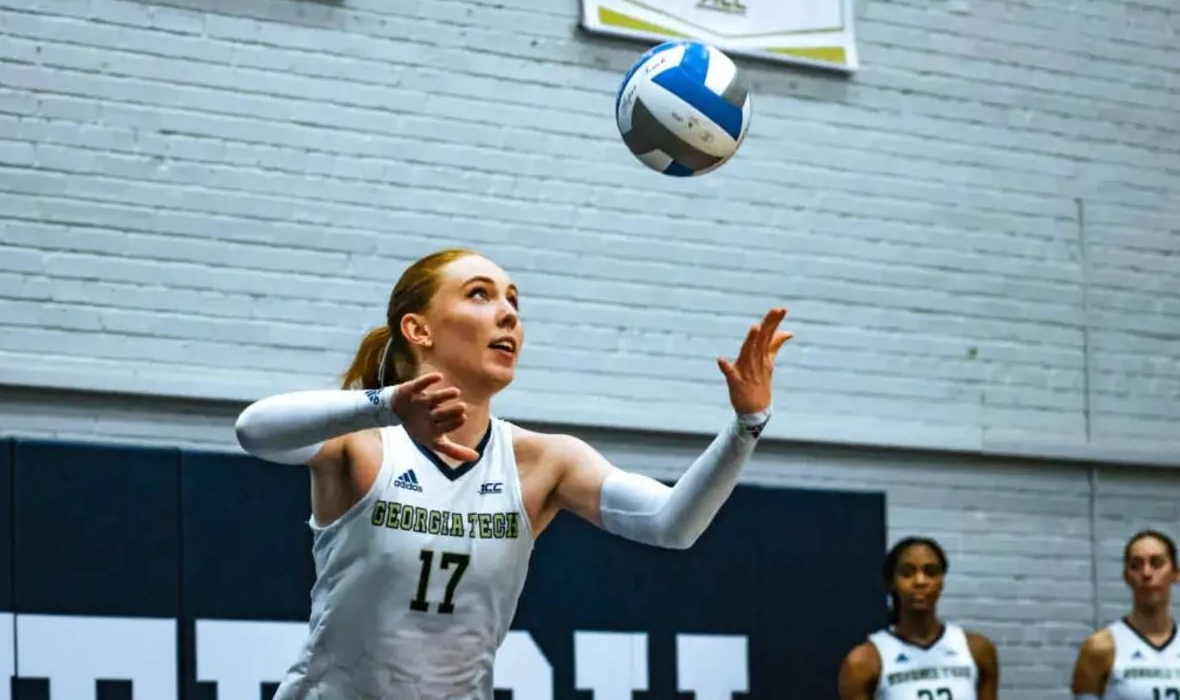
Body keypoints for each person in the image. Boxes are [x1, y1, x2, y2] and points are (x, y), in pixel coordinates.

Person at [234, 247, 792, 699]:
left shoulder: (543, 460)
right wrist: (386, 405)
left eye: (514, 302)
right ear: (418, 329)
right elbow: (253, 430)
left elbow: (673, 525)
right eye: (479, 295)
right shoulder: (367, 442)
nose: (508, 314)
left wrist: (746, 425)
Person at [838, 536, 1000, 700]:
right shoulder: (864, 662)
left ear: (942, 581)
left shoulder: (977, 651)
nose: (920, 581)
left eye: (931, 572)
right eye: (907, 573)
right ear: (892, 582)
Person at [1071, 530, 1180, 700]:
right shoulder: (1100, 648)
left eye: (1156, 563)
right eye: (1136, 565)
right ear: (1126, 576)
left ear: (1175, 573)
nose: (1146, 573)